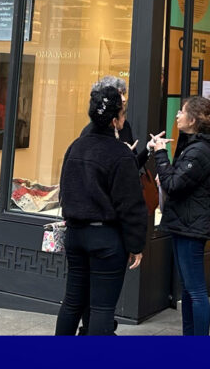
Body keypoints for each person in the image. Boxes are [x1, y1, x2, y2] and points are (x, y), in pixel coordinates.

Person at [54, 86, 147, 335]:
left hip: (75, 235)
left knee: (72, 302)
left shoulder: (75, 147)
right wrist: (136, 244)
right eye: (123, 114)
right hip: (106, 239)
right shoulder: (119, 154)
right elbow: (131, 206)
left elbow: (65, 190)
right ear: (115, 120)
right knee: (102, 309)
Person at [150, 95, 210, 336]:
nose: (177, 115)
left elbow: (174, 184)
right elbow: (179, 180)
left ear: (193, 120)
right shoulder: (195, 146)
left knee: (195, 290)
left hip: (190, 226)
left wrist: (161, 155)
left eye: (181, 112)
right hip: (185, 222)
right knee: (187, 288)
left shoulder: (200, 151)